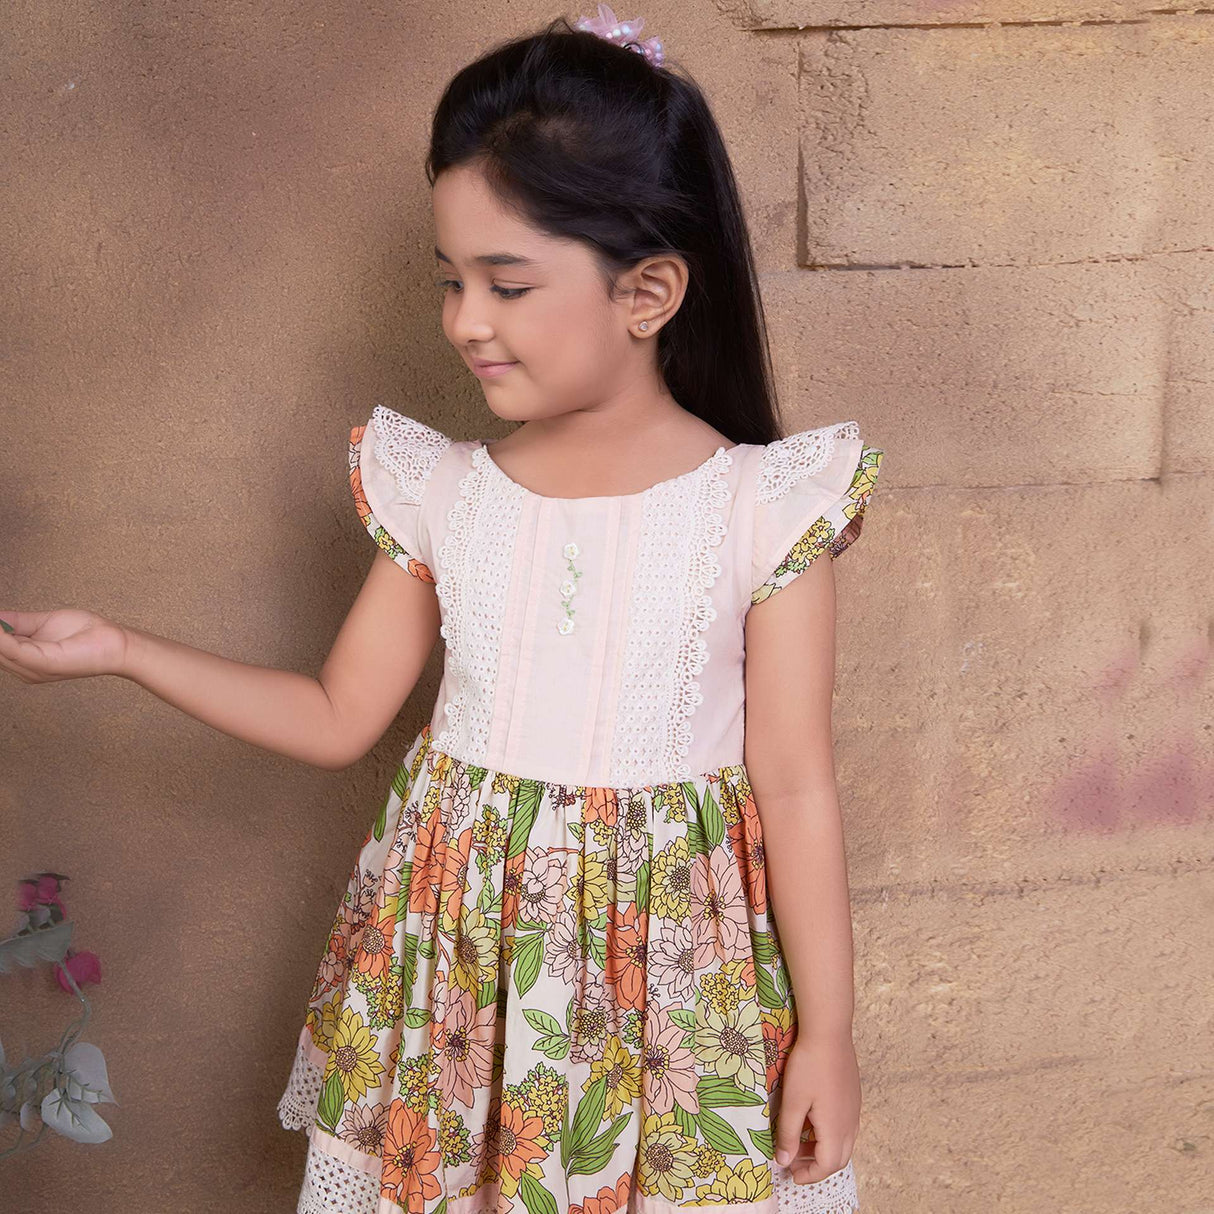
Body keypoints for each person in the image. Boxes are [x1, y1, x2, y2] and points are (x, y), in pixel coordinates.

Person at [0, 8, 885, 1214]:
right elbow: (333, 711)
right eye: (451, 281)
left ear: (649, 291)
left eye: (507, 283)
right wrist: (118, 649)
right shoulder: (443, 492)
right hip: (453, 995)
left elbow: (794, 785)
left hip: (670, 1001)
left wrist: (826, 1030)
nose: (467, 318)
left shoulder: (759, 506)